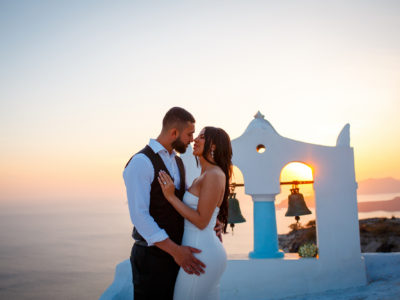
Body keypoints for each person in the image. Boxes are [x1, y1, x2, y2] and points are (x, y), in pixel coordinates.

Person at [123, 107, 223, 300]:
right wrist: (175, 251)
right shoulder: (141, 162)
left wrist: (212, 220)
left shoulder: (177, 162)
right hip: (153, 258)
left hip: (178, 255)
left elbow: (185, 200)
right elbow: (139, 216)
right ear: (174, 133)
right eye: (190, 134)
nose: (192, 139)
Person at [158, 126, 232, 300]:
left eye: (202, 137)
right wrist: (216, 220)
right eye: (196, 136)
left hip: (202, 254)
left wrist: (170, 197)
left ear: (213, 146)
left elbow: (201, 221)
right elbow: (207, 214)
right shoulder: (205, 175)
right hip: (204, 251)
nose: (195, 140)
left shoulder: (213, 174)